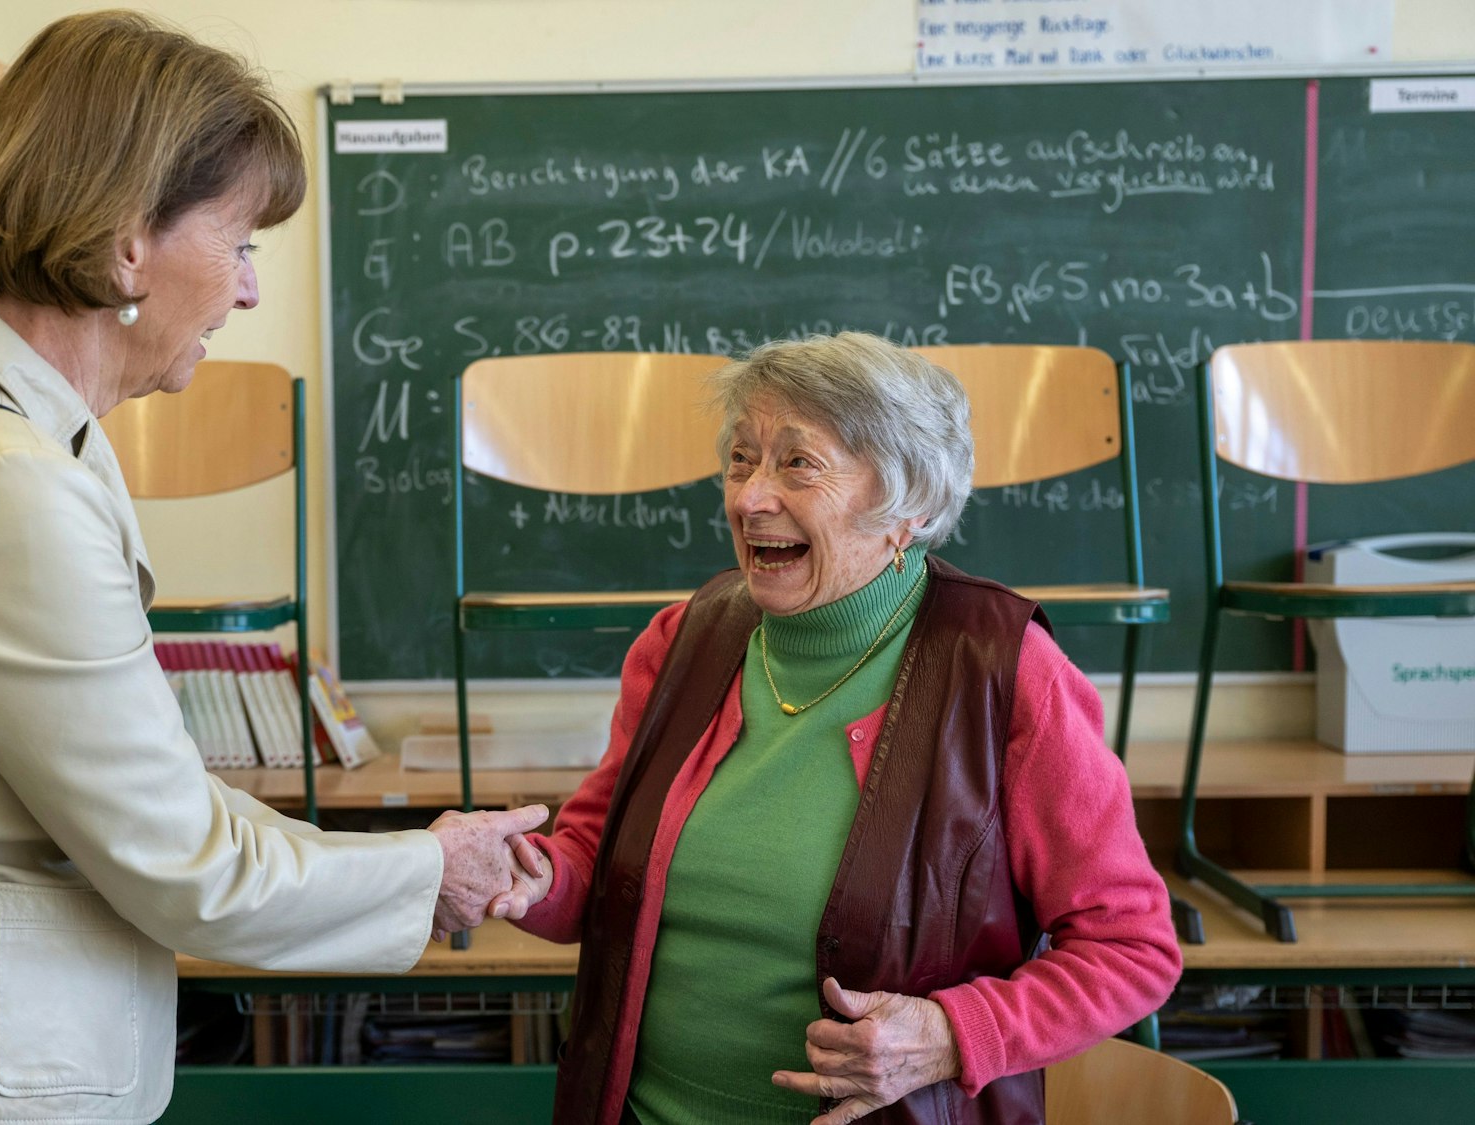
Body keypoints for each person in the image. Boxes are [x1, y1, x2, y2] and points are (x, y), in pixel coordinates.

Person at [0, 11, 542, 1123]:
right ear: (125, 241)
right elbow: (187, 867)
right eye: (241, 243)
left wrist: (406, 858)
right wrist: (426, 872)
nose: (249, 292)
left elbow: (151, 802)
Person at [491, 333, 1181, 1125]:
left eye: (797, 464)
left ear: (908, 503)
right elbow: (594, 863)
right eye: (742, 460)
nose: (749, 499)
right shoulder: (679, 642)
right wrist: (528, 876)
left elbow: (1132, 950)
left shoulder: (1006, 671)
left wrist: (954, 1033)